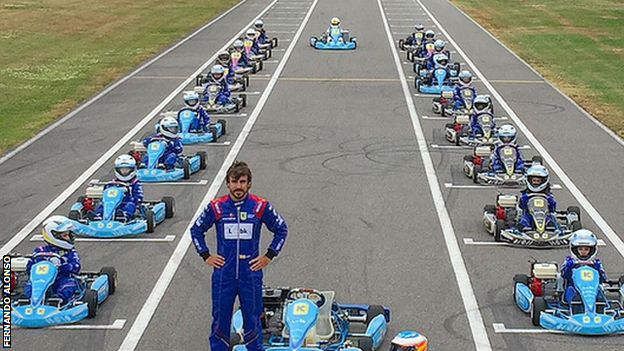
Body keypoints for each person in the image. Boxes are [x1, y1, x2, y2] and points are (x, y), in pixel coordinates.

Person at [190, 161, 288, 351]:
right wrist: (206, 255)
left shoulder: (260, 206)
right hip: (223, 275)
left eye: (242, 182)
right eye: (234, 182)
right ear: (228, 183)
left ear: (249, 183)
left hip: (250, 275)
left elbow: (281, 229)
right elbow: (196, 230)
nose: (238, 186)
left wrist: (268, 256)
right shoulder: (216, 207)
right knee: (220, 322)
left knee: (253, 321)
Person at [23, 216, 80, 304]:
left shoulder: (69, 252)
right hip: (40, 279)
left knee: (69, 285)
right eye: (65, 235)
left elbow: (76, 266)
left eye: (68, 235)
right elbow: (29, 268)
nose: (68, 238)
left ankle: (58, 300)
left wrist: (61, 265)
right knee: (30, 285)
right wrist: (39, 262)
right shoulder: (40, 251)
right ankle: (28, 300)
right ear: (54, 236)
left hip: (61, 278)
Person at [90, 155, 144, 221]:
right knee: (102, 205)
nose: (124, 172)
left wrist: (133, 199)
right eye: (122, 169)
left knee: (131, 206)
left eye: (127, 169)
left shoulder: (135, 183)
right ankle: (98, 216)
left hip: (126, 203)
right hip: (112, 203)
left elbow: (139, 197)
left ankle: (124, 217)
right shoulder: (112, 182)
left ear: (132, 169)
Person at [560, 230, 607, 303]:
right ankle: (575, 308)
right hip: (574, 288)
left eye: (586, 249)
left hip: (592, 289)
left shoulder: (596, 262)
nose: (583, 251)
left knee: (599, 295)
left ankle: (597, 308)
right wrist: (570, 266)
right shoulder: (569, 261)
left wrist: (596, 267)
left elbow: (603, 278)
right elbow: (564, 275)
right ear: (574, 249)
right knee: (571, 293)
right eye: (580, 249)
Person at [517, 165, 556, 230]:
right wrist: (525, 197)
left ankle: (550, 229)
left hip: (544, 214)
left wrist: (549, 200)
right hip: (529, 214)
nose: (535, 183)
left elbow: (553, 209)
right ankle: (525, 229)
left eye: (538, 181)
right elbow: (521, 205)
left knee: (549, 220)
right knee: (524, 220)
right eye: (534, 181)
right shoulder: (526, 194)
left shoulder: (548, 195)